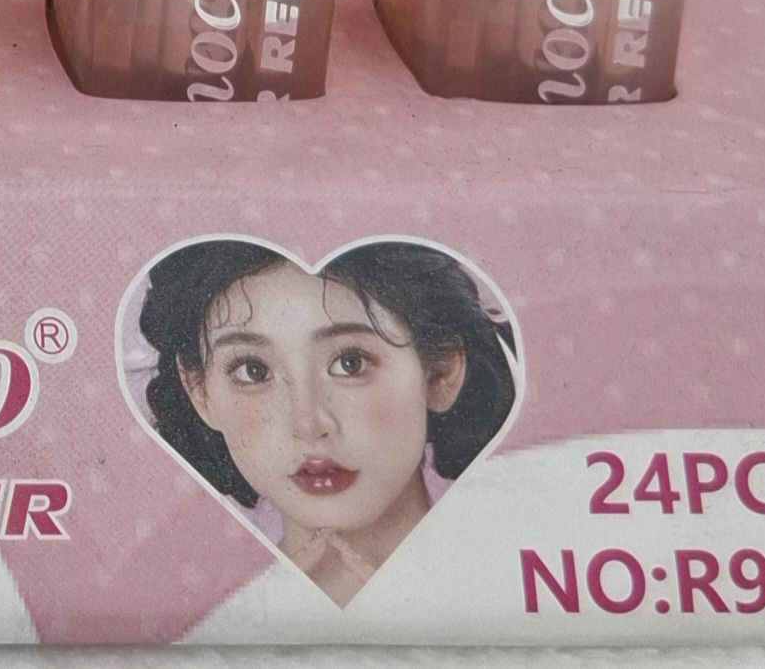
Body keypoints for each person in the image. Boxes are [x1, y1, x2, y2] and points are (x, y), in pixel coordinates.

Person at [135, 237, 518, 606]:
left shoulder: (508, 580)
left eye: (350, 363)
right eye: (253, 370)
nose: (308, 425)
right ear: (200, 391)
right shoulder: (193, 612)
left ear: (441, 371)